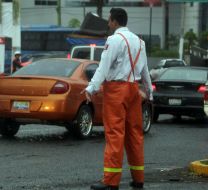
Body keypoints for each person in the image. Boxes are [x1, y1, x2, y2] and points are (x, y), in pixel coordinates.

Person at [83, 8, 153, 190]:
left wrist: (91, 87)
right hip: (134, 90)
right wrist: (149, 92)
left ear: (114, 21)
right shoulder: (140, 42)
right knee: (134, 135)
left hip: (116, 90)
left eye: (109, 21)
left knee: (114, 134)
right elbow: (145, 70)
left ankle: (111, 182)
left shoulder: (114, 40)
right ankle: (138, 179)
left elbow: (103, 67)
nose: (108, 24)